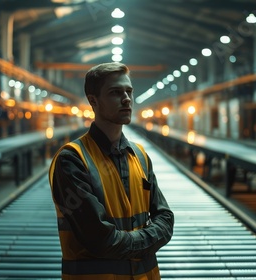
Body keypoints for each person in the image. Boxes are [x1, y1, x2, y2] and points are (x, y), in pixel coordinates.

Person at [48, 62, 174, 279]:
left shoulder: (140, 156)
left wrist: (128, 241)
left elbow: (165, 218)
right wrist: (148, 239)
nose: (126, 99)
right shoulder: (72, 160)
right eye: (116, 92)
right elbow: (99, 240)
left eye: (129, 91)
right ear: (93, 101)